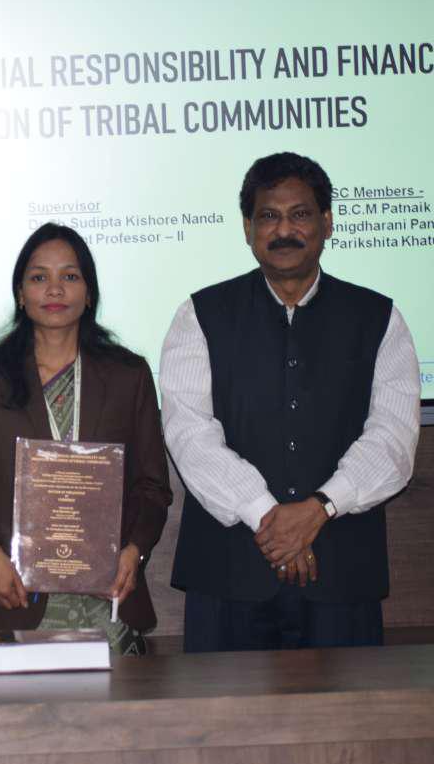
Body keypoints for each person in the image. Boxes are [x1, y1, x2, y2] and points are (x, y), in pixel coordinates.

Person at [160, 152, 421, 652]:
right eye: (268, 216)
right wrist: (268, 516)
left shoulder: (379, 317)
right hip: (228, 576)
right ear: (247, 228)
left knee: (355, 708)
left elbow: (393, 438)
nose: (284, 230)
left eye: (300, 214)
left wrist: (319, 509)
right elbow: (190, 434)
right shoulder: (200, 314)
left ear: (327, 222)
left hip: (342, 574)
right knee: (223, 707)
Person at [0, 223, 172, 652]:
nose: (54, 289)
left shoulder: (129, 375)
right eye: (38, 277)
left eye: (69, 276)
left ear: (89, 293)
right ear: (20, 293)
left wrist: (134, 551)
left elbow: (153, 487)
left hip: (107, 601)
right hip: (12, 597)